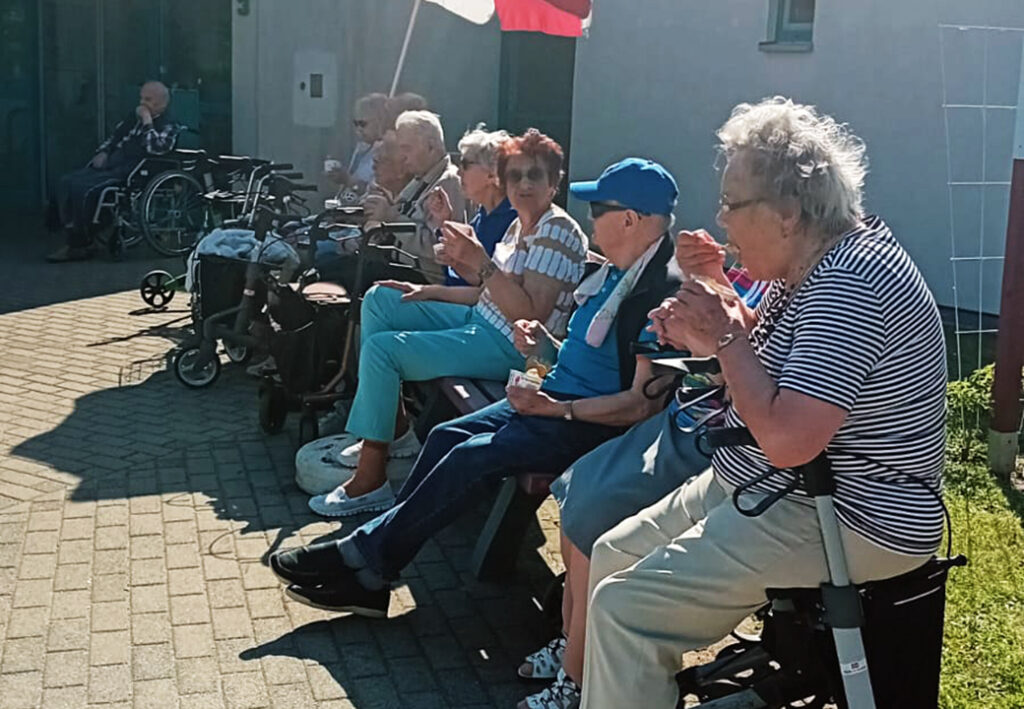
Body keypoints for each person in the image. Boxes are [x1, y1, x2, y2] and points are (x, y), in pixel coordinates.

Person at [578, 98, 947, 709]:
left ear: (787, 213)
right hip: (782, 483)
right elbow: (775, 361)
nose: (720, 219)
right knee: (612, 552)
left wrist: (722, 336)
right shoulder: (811, 262)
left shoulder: (850, 283)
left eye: (731, 203)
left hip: (851, 513)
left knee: (625, 611)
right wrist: (717, 309)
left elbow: (788, 436)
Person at [269, 157, 684, 621]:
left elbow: (639, 410)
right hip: (554, 394)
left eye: (597, 209)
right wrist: (543, 347)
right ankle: (377, 555)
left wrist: (556, 411)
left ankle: (366, 563)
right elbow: (577, 353)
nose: (590, 219)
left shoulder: (659, 294)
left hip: (587, 422)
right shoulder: (614, 271)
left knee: (472, 456)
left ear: (630, 219)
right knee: (446, 437)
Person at [517, 264, 767, 709]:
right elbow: (709, 353)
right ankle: (572, 642)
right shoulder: (748, 274)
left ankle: (576, 679)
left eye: (736, 207)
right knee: (578, 490)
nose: (725, 220)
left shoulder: (793, 292)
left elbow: (748, 378)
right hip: (682, 419)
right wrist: (674, 331)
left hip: (712, 442)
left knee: (597, 518)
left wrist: (702, 340)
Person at [294, 129, 584, 508]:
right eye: (515, 175)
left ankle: (371, 480)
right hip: (483, 323)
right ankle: (394, 431)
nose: (523, 184)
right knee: (382, 299)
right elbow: (488, 295)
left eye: (536, 175)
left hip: (518, 352)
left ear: (554, 183)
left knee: (384, 351)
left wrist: (480, 262)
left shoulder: (557, 231)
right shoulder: (520, 226)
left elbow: (530, 316)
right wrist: (428, 291)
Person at [47, 81, 179, 262]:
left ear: (162, 103)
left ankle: (79, 243)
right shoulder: (131, 119)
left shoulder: (168, 125)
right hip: (113, 164)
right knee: (65, 182)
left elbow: (156, 147)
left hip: (134, 171)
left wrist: (148, 121)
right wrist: (103, 152)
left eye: (148, 99)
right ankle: (72, 232)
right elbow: (114, 138)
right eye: (141, 98)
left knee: (83, 189)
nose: (142, 103)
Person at [363, 110, 466, 284]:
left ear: (431, 147)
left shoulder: (448, 182)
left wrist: (391, 217)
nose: (402, 156)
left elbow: (438, 247)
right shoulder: (420, 180)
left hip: (426, 277)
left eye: (407, 148)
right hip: (395, 264)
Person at [425, 124, 518, 287]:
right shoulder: (483, 215)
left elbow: (487, 288)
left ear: (492, 173)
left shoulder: (513, 220)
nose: (459, 172)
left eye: (465, 164)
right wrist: (445, 221)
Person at [325, 93, 390, 199]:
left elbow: (379, 193)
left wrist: (348, 180)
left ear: (380, 121)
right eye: (355, 124)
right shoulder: (362, 148)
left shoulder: (387, 153)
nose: (358, 129)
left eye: (363, 124)